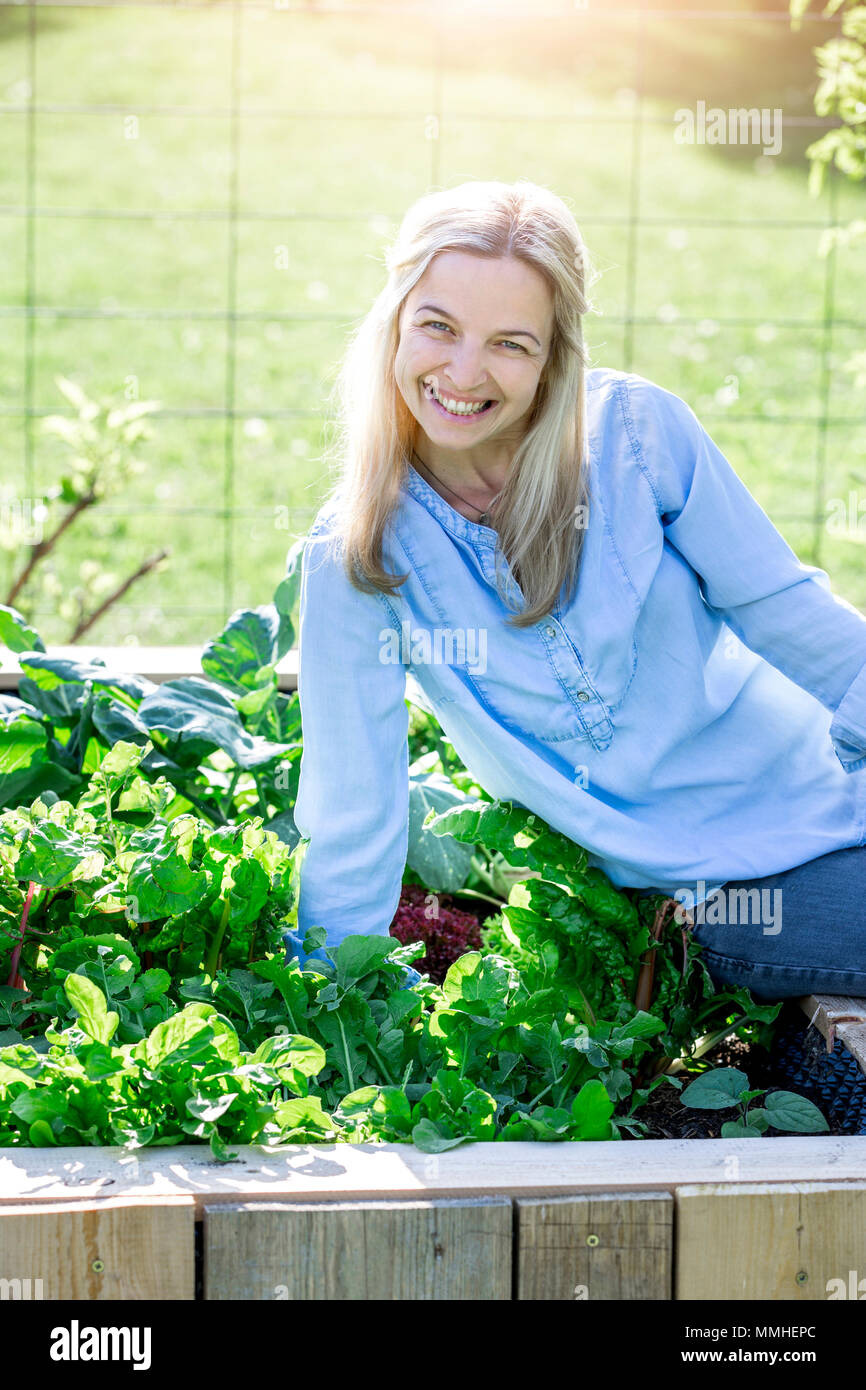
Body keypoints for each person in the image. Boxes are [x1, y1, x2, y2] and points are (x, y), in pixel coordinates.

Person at [286, 178, 866, 999]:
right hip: (707, 895)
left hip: (829, 786)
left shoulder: (637, 435)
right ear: (394, 324)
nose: (463, 371)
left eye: (510, 344)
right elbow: (354, 810)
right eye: (438, 327)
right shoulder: (358, 558)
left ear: (555, 358)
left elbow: (789, 615)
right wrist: (331, 1009)